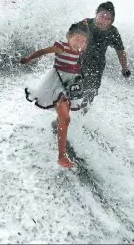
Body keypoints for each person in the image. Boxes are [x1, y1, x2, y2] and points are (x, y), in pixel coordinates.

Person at [20, 22, 89, 169]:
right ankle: (61, 156)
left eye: (83, 41)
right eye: (77, 39)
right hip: (57, 84)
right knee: (66, 118)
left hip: (70, 84)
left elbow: (75, 63)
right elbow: (42, 52)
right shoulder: (61, 47)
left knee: (63, 117)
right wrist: (28, 58)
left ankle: (55, 125)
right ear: (68, 36)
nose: (79, 44)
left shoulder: (79, 50)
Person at [79, 1, 131, 113]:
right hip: (79, 61)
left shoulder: (112, 32)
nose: (104, 20)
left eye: (108, 18)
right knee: (73, 89)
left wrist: (124, 68)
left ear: (111, 21)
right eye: (102, 16)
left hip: (97, 66)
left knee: (89, 94)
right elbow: (71, 39)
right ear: (96, 14)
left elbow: (120, 51)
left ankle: (80, 119)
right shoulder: (86, 23)